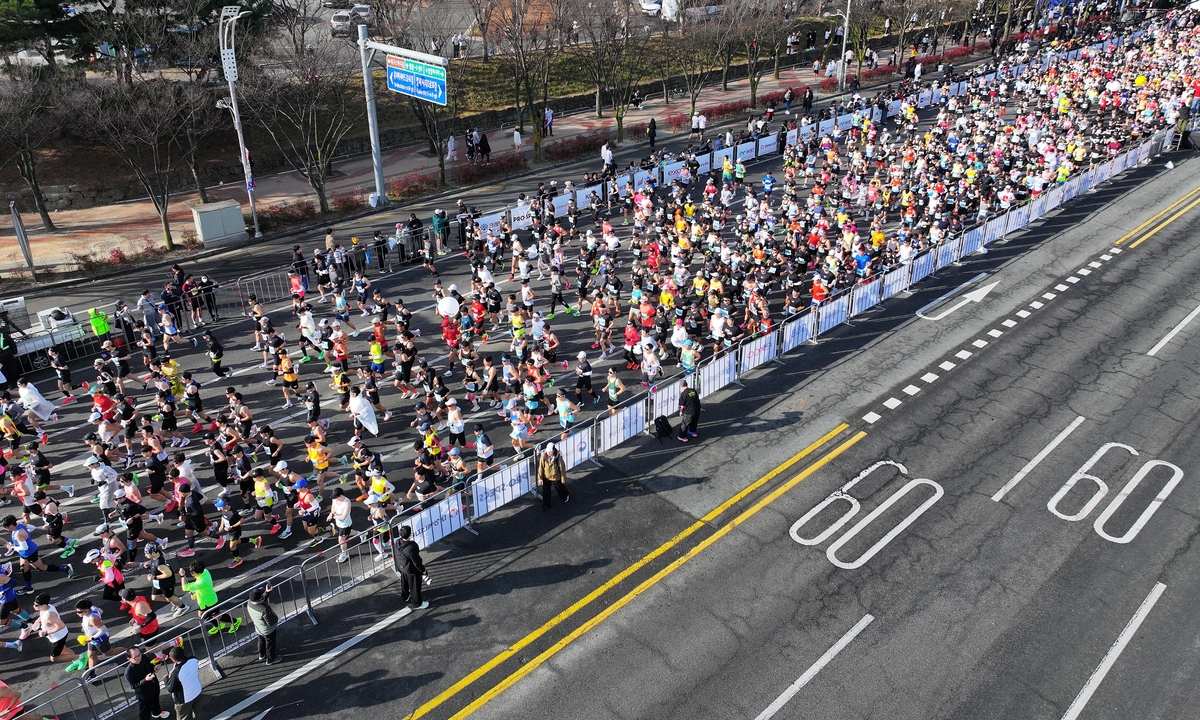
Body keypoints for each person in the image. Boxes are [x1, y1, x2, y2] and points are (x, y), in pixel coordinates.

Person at [125, 645, 171, 720]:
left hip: (154, 684)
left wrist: (154, 668)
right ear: (129, 659)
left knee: (156, 700)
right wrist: (145, 680)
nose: (139, 657)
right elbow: (134, 685)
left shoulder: (144, 657)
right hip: (144, 693)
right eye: (135, 657)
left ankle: (157, 712)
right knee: (145, 711)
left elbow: (149, 666)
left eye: (139, 654)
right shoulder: (129, 672)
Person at [246, 584, 282, 665]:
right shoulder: (264, 609)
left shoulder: (249, 603)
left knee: (261, 641)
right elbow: (270, 622)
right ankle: (270, 659)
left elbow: (261, 600)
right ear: (260, 597)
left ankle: (261, 654)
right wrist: (276, 618)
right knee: (270, 643)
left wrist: (267, 592)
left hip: (258, 628)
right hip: (268, 630)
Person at [396, 525, 429, 610]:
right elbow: (416, 562)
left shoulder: (398, 542)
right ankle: (417, 603)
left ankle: (405, 596)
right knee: (415, 587)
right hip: (411, 570)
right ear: (410, 535)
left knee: (405, 584)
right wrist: (423, 570)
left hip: (402, 567)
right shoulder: (411, 547)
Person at [165, 646, 203, 720]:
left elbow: (170, 688)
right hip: (196, 690)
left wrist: (166, 678)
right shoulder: (193, 659)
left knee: (183, 717)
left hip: (184, 698)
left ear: (173, 659)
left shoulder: (176, 672)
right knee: (198, 712)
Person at [536, 442, 569, 510]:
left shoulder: (558, 457)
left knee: (560, 488)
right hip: (546, 476)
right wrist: (540, 478)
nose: (548, 453)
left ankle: (565, 495)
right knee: (546, 491)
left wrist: (563, 478)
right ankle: (546, 505)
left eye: (550, 452)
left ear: (553, 451)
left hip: (555, 476)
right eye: (548, 451)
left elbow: (562, 468)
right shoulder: (543, 456)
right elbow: (541, 467)